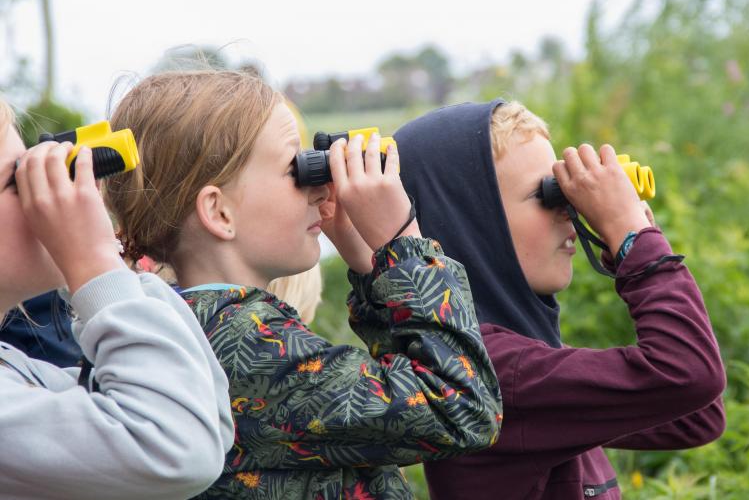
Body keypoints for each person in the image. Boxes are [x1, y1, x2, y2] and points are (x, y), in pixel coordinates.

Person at [103, 70, 502, 499]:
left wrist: (367, 262)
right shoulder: (249, 347)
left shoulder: (198, 328)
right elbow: (459, 408)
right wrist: (402, 242)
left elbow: (404, 392)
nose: (317, 189)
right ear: (219, 213)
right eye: (296, 168)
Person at [394, 99, 726, 500]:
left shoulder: (520, 369)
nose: (570, 212)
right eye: (547, 196)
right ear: (474, 221)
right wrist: (633, 239)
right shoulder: (491, 375)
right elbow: (689, 374)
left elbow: (697, 414)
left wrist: (632, 238)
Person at [0, 97, 234, 499]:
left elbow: (209, 421)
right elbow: (177, 448)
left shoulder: (14, 368)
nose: (41, 195)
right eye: (17, 179)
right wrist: (94, 262)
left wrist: (103, 261)